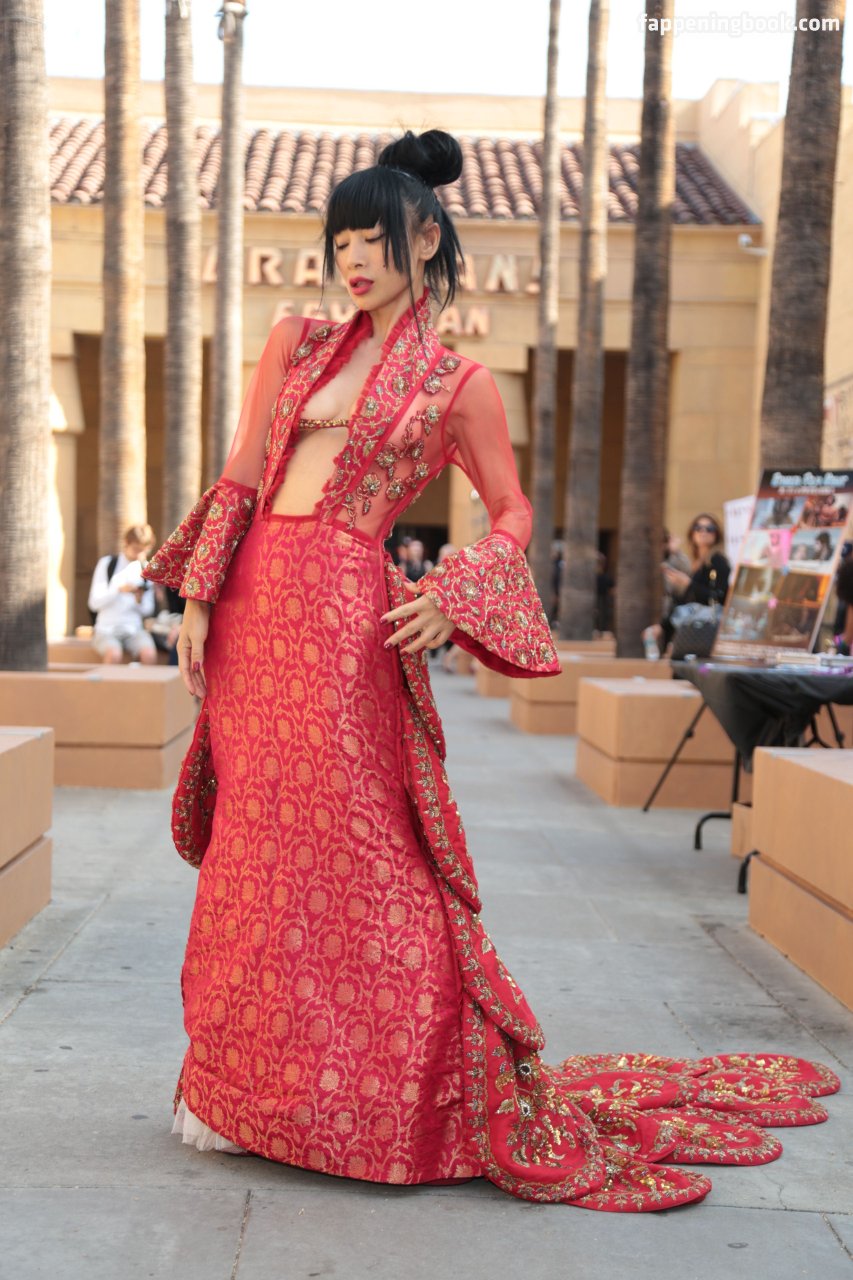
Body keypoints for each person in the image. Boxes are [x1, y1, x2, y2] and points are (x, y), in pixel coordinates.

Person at [143, 128, 837, 1212]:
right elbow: (240, 472)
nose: (352, 259)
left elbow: (509, 512)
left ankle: (392, 1095)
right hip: (250, 621)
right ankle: (245, 1096)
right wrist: (196, 598)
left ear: (425, 238)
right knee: (254, 856)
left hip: (349, 627)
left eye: (372, 239)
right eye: (340, 241)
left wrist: (452, 590)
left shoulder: (459, 382)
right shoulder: (294, 340)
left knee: (369, 860)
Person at [88, 524, 158, 664]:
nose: (139, 554)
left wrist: (139, 599)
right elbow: (93, 603)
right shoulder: (107, 564)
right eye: (136, 549)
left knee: (149, 655)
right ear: (126, 543)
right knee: (113, 654)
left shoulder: (146, 569)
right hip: (106, 629)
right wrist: (118, 590)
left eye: (143, 551)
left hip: (134, 629)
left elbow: (148, 610)